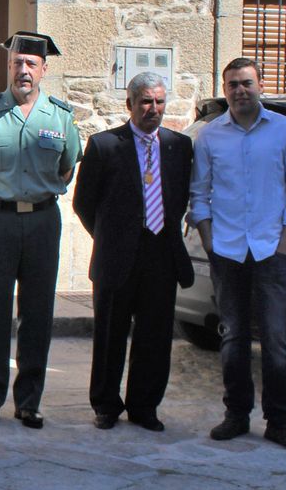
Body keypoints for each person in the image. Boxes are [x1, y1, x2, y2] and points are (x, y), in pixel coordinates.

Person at [0, 31, 81, 430]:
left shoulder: (60, 116)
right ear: (8, 67)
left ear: (43, 69)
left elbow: (67, 166)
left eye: (30, 64)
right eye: (16, 63)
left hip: (43, 220)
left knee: (39, 310)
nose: (23, 70)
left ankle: (29, 400)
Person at [190, 57, 286, 454]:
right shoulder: (211, 136)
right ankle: (236, 415)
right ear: (225, 90)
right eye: (233, 85)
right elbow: (199, 192)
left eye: (247, 83)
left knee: (277, 341)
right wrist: (209, 240)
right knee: (233, 338)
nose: (240, 90)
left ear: (260, 85)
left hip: (271, 250)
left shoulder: (285, 131)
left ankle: (280, 421)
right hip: (227, 251)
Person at [71, 72, 194, 432]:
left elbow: (182, 196)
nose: (153, 109)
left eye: (158, 101)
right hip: (117, 256)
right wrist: (110, 236)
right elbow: (84, 202)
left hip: (162, 255)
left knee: (155, 336)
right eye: (145, 101)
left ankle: (144, 405)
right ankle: (106, 405)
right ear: (130, 105)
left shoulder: (179, 146)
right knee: (110, 334)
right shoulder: (105, 145)